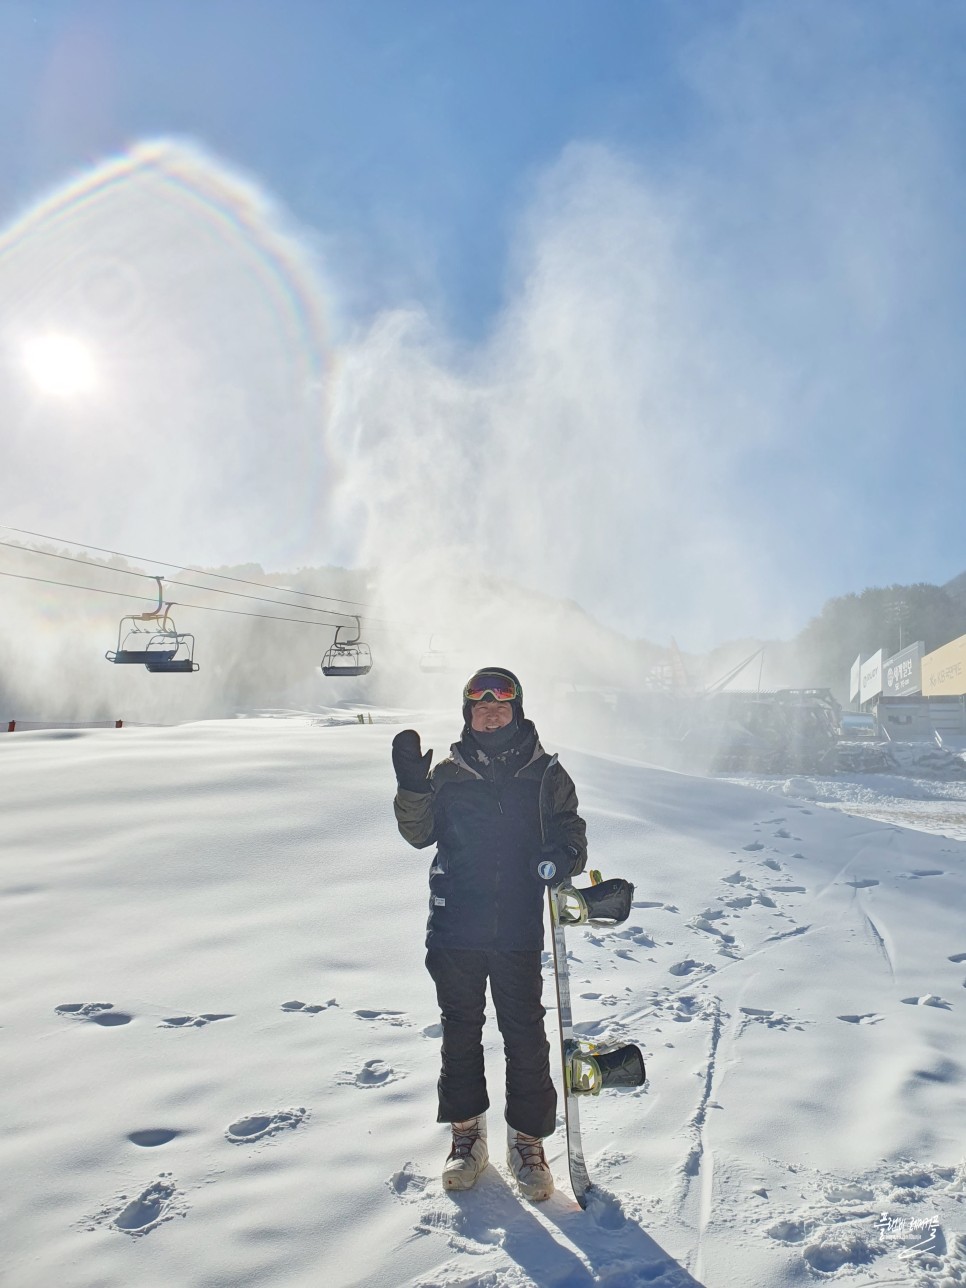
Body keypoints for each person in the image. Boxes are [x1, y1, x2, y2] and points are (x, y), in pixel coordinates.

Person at [392, 667, 588, 1201]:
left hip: (518, 926)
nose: (491, 711)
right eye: (481, 705)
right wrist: (412, 786)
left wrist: (563, 855)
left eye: (502, 703)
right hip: (456, 923)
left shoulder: (546, 773)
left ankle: (527, 1143)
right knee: (460, 1032)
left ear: (517, 710)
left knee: (524, 1033)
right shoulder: (450, 774)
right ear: (468, 714)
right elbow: (419, 834)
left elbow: (572, 830)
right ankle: (466, 1137)